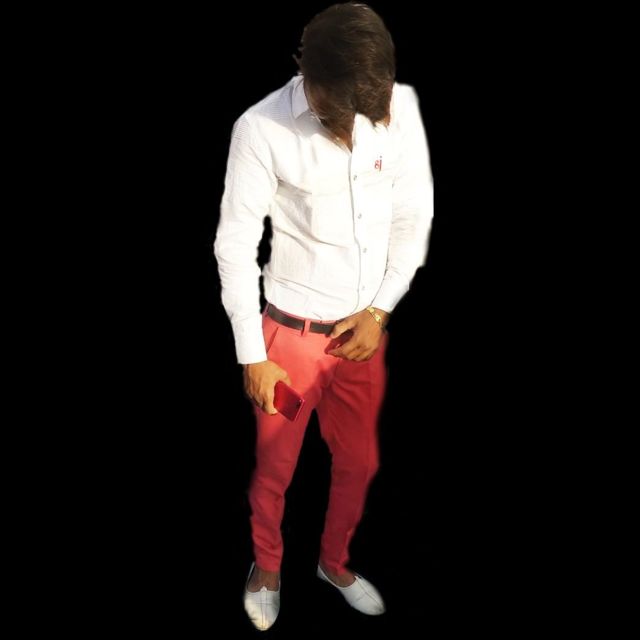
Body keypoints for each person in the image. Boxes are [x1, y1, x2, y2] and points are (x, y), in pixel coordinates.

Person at [214, 2, 433, 631]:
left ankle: (333, 563)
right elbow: (234, 245)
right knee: (276, 468)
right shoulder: (260, 128)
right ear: (310, 75)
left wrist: (380, 310)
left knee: (360, 464)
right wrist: (252, 354)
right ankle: (266, 567)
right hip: (289, 344)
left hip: (362, 337)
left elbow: (412, 214)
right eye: (348, 110)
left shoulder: (399, 106)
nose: (362, 122)